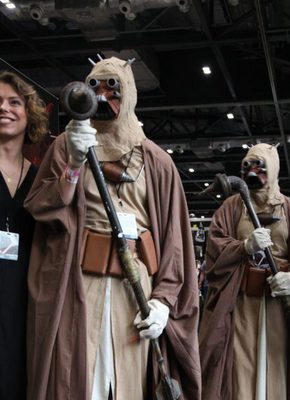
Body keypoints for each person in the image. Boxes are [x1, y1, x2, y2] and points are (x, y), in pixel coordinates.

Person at [24, 57, 201, 400]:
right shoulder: (66, 145)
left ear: (129, 93)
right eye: (95, 86)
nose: (103, 96)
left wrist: (164, 301)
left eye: (112, 87)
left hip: (135, 289)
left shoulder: (156, 161)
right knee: (78, 374)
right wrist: (73, 166)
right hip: (79, 284)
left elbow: (176, 243)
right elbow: (41, 207)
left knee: (127, 383)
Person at [199, 143, 290, 400]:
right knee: (240, 364)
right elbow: (215, 250)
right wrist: (243, 246)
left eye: (259, 165)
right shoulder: (232, 208)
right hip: (242, 304)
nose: (253, 171)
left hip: (279, 306)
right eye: (247, 166)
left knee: (277, 362)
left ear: (274, 169)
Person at [0, 71, 48, 400]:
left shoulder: (40, 178)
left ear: (28, 112)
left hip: (25, 296)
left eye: (14, 102)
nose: (4, 108)